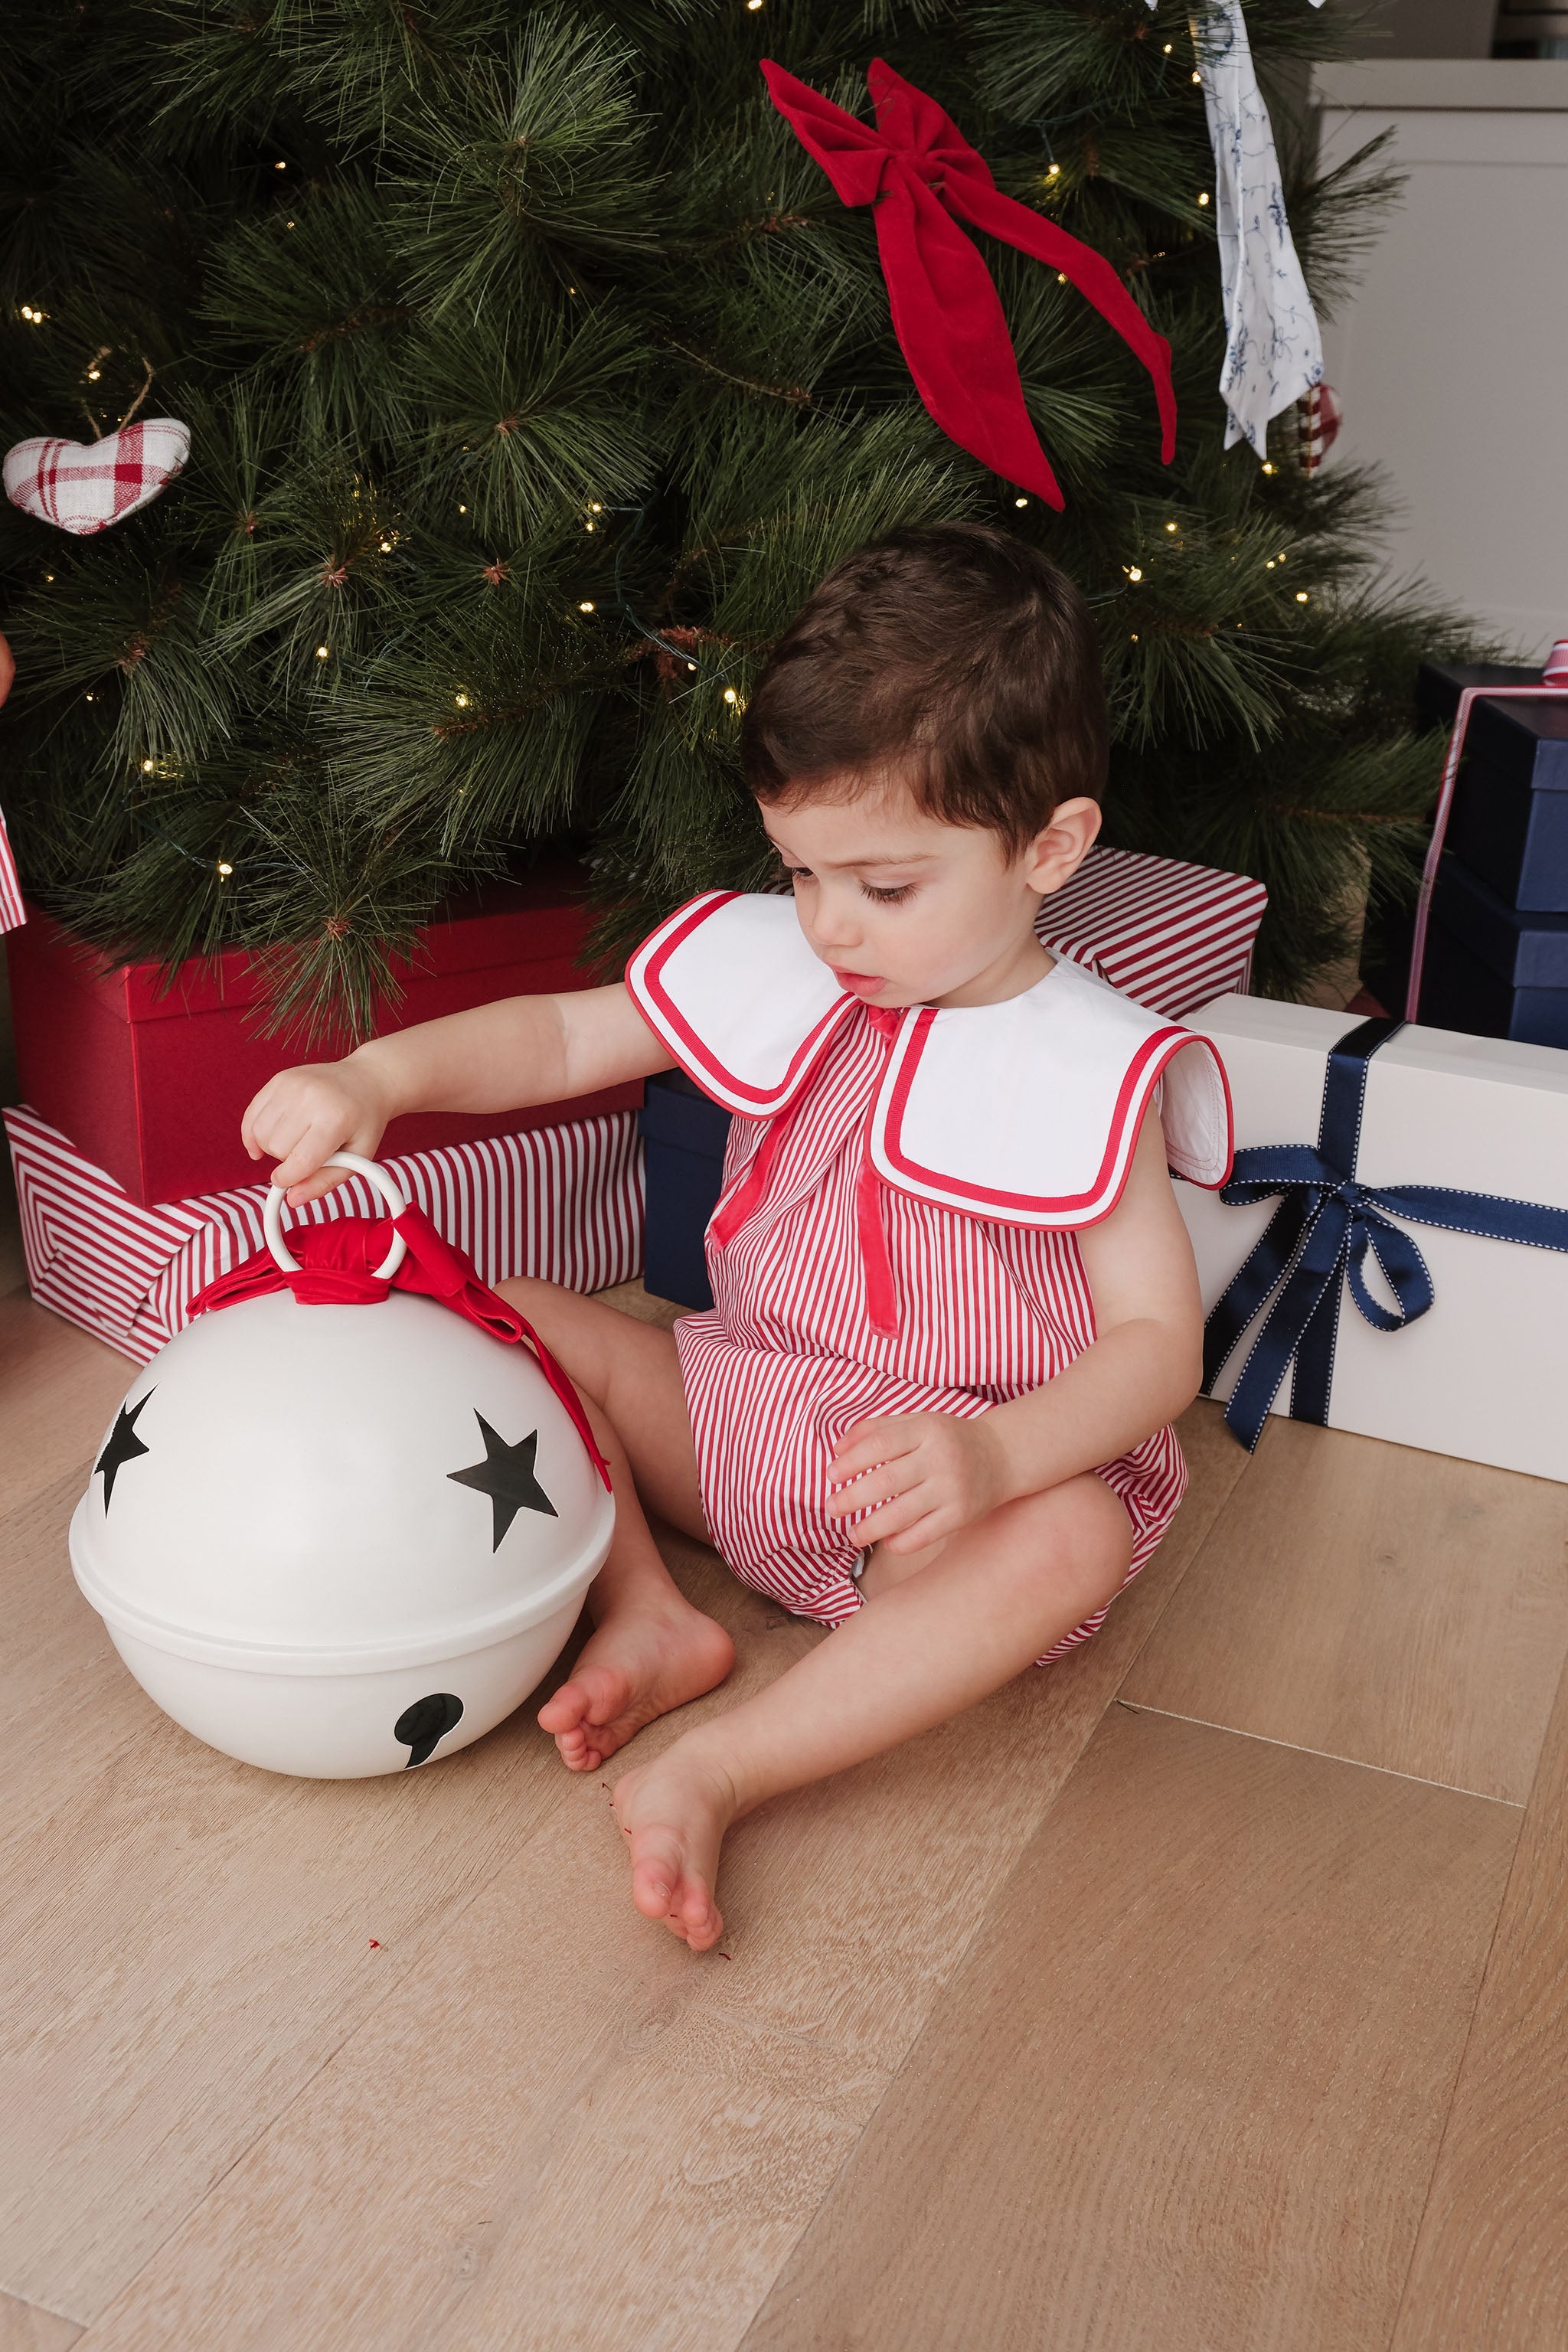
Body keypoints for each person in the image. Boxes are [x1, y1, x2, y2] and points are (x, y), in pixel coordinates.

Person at [240, 523, 1230, 1952]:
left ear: (1050, 847)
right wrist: (378, 1077)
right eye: (800, 871)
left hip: (941, 1499)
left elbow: (1159, 1348)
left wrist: (996, 1455)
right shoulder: (789, 960)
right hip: (740, 1413)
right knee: (508, 1309)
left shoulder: (1091, 1070)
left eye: (885, 887)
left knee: (1072, 1539)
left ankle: (729, 1763)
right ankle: (650, 1607)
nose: (830, 925)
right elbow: (565, 1032)